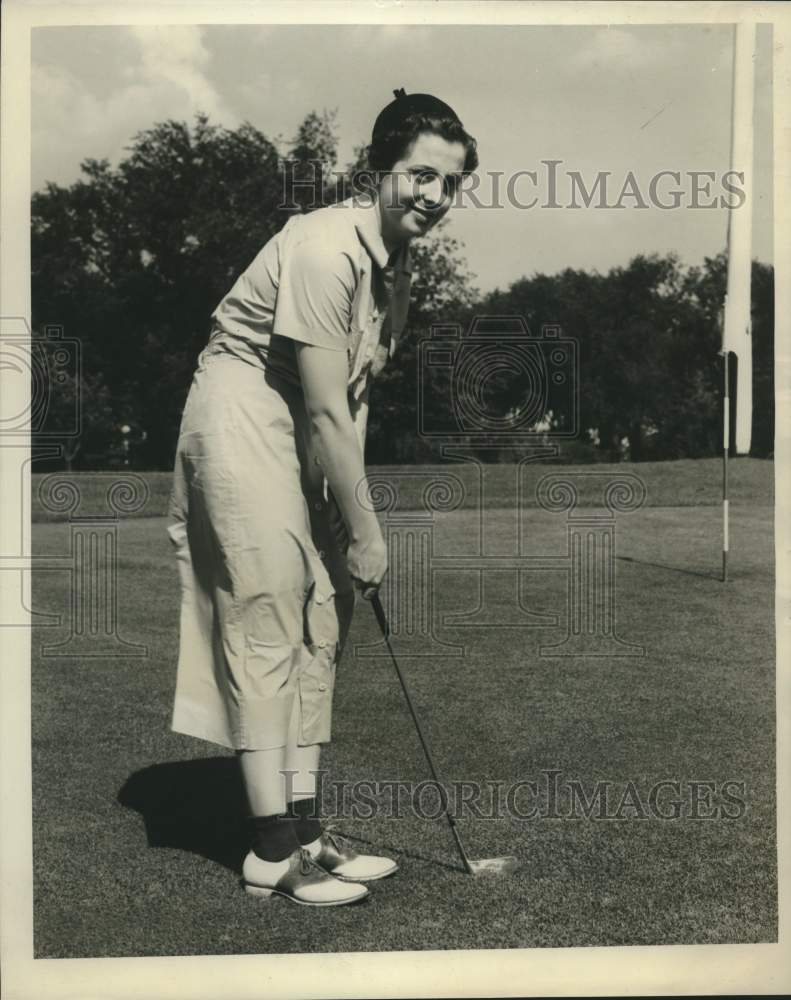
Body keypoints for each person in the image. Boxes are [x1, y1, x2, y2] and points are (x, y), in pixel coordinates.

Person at [166, 89, 478, 906]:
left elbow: (355, 398)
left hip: (302, 420)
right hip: (238, 408)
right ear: (380, 170)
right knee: (268, 602)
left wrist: (347, 512)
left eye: (449, 184)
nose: (434, 197)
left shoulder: (397, 272)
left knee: (324, 608)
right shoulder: (324, 248)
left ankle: (307, 831)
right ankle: (272, 851)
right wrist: (373, 533)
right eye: (419, 175)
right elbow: (319, 404)